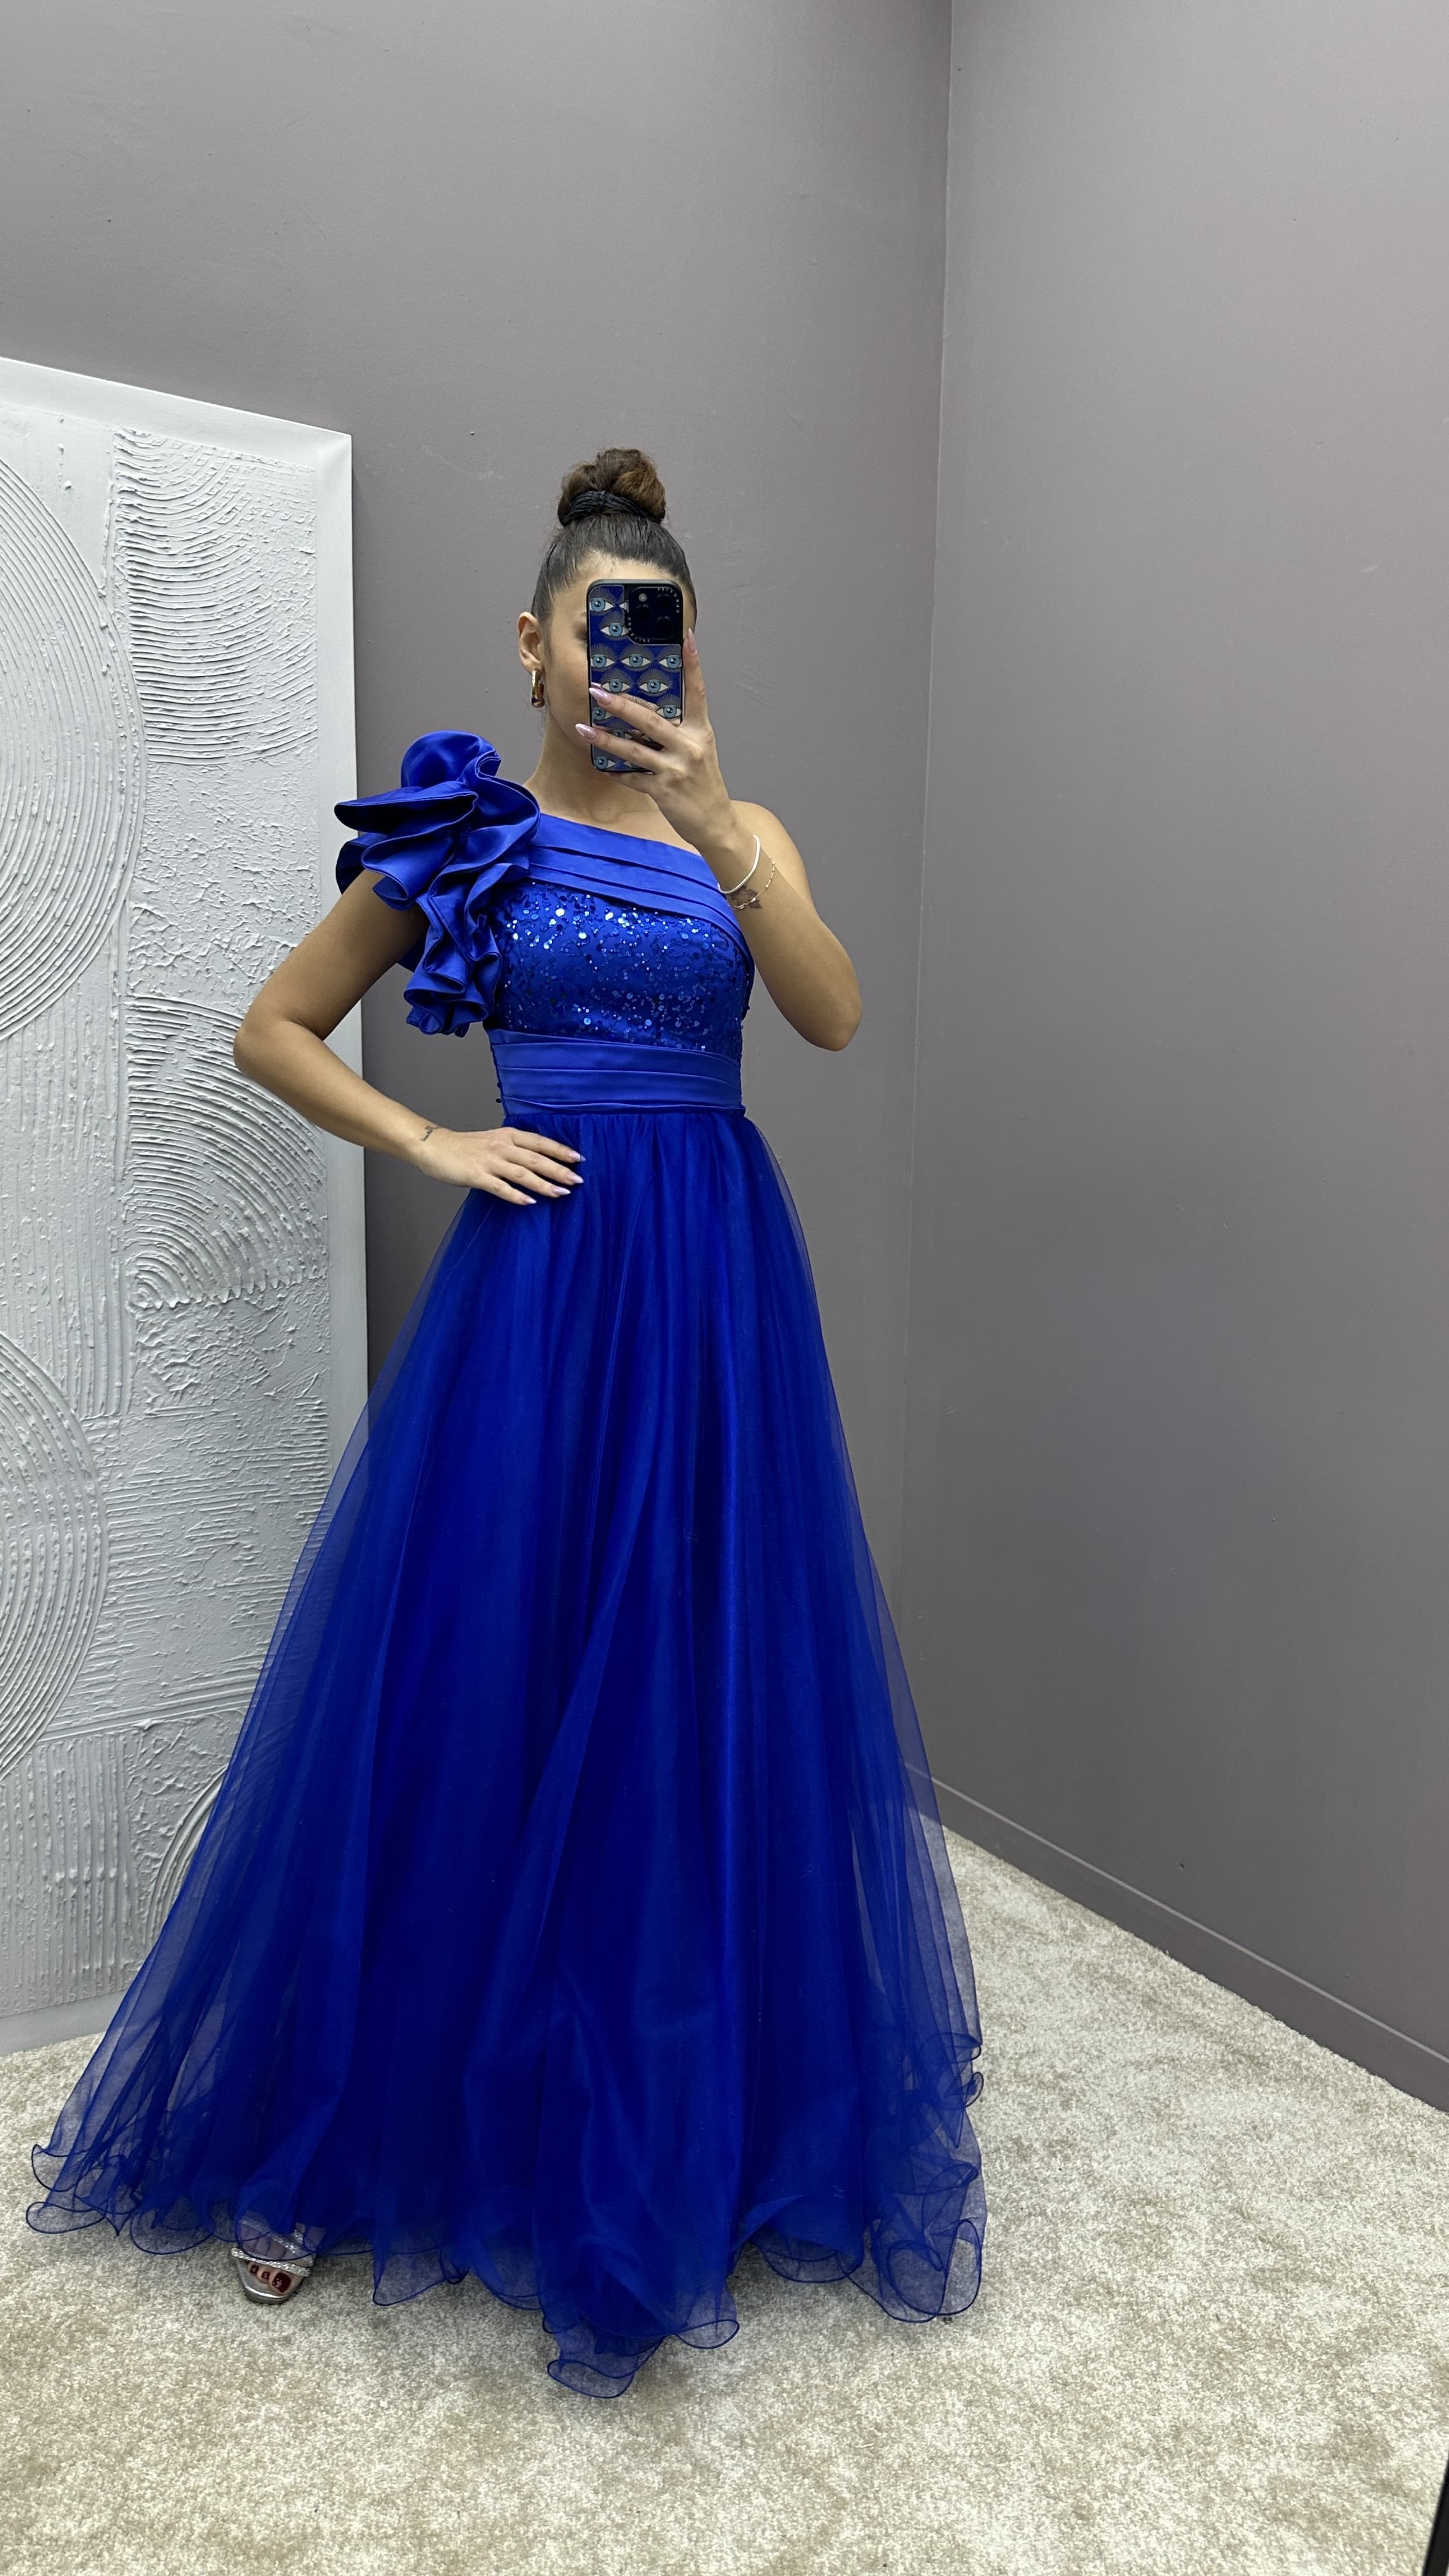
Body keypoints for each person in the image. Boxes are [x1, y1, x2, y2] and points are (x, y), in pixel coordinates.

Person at [28, 448, 986, 2400]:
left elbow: (828, 1016)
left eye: (664, 638)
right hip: (544, 1289)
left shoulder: (742, 829)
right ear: (532, 644)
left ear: (686, 656)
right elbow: (271, 1026)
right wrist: (430, 1137)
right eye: (598, 631)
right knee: (477, 1676)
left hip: (712, 1287)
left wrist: (718, 830)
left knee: (695, 1682)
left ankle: (689, 2108)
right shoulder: (471, 834)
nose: (629, 664)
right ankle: (349, 2120)